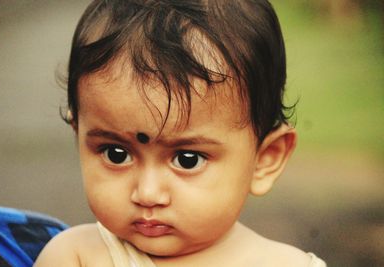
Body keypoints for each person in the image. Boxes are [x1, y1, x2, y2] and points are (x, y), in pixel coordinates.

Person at [35, 0, 326, 266]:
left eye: (187, 159)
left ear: (265, 159)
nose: (147, 194)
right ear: (79, 136)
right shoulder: (75, 257)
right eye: (116, 153)